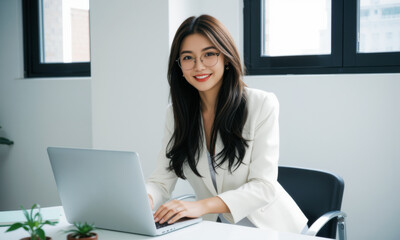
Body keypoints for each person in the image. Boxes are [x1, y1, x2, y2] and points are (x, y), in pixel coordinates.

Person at [145, 15, 308, 233]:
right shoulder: (176, 114)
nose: (199, 66)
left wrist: (201, 206)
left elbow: (264, 187)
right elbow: (161, 181)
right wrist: (145, 198)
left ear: (226, 57)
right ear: (179, 66)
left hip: (273, 229)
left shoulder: (261, 104)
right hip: (219, 230)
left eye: (209, 54)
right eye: (187, 58)